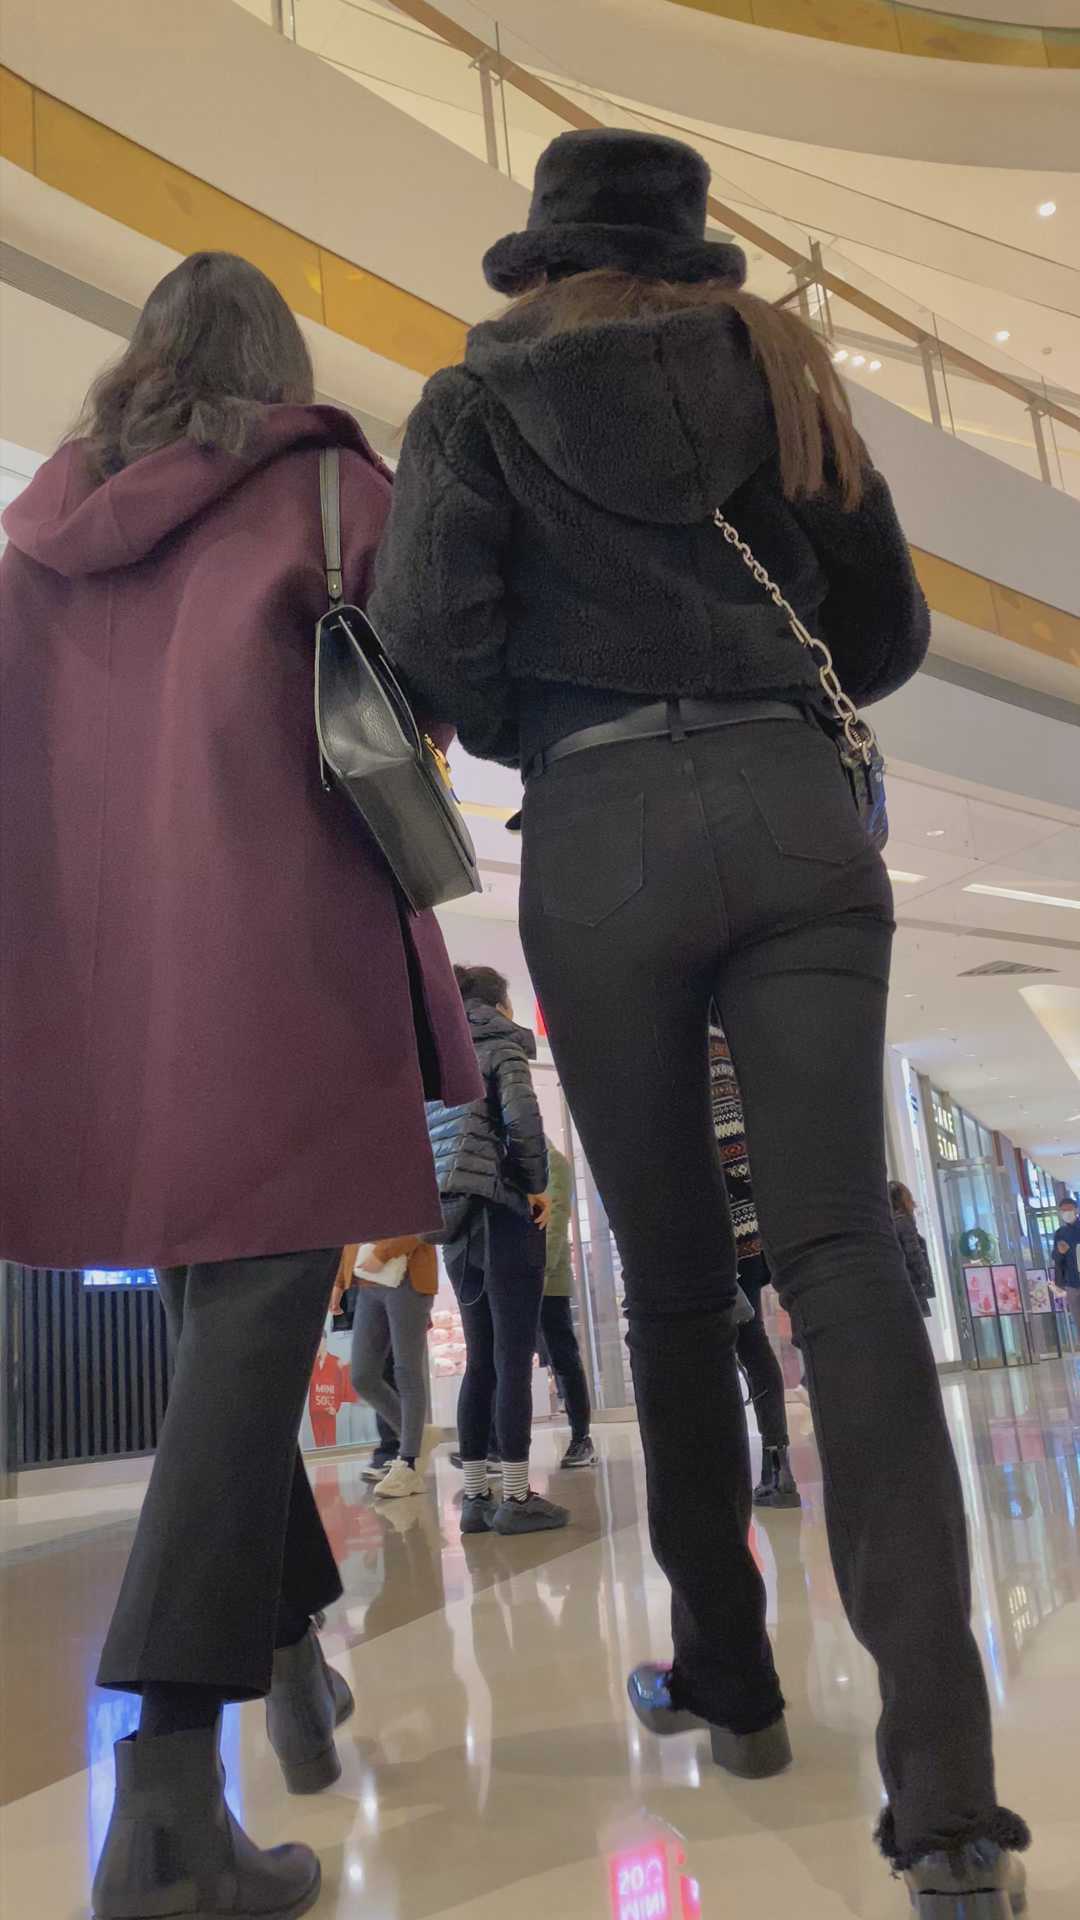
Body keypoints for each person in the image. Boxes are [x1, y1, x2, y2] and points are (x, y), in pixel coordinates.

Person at [370, 130, 1029, 1913]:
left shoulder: (474, 399)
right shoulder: (785, 369)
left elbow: (430, 642)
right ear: (695, 250)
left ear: (539, 259)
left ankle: (728, 1681)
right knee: (842, 1254)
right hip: (797, 810)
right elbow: (884, 629)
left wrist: (555, 707)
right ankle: (949, 1794)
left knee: (672, 1281)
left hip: (600, 833)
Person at [0, 251, 479, 1920]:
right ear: (275, 362)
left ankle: (291, 1668)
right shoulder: (335, 495)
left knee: (230, 1339)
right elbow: (435, 694)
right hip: (281, 968)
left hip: (108, 1004)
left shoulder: (36, 543)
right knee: (247, 1335)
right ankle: (164, 1808)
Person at [429, 965, 569, 1536]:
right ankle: (516, 1496)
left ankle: (475, 1498)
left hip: (456, 1223)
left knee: (480, 1359)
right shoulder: (502, 1046)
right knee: (514, 1356)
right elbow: (524, 1124)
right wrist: (536, 1186)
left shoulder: (438, 1057)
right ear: (499, 1004)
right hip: (504, 1215)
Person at [710, 1023, 800, 1508]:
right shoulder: (726, 1042)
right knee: (747, 1339)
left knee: (726, 1342)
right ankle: (775, 1461)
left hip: (716, 1225)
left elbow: (729, 1144)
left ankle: (756, 1466)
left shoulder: (706, 1045)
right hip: (740, 1224)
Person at [344, 1236, 438, 1497]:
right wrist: (341, 1281)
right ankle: (418, 1436)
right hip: (367, 1280)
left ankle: (408, 1462)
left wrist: (384, 1253)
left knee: (406, 1371)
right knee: (363, 1376)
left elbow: (422, 1221)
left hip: (408, 1277)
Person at [541, 1137, 596, 1468]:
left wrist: (540, 1269)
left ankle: (581, 1438)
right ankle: (492, 1445)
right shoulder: (514, 1161)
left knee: (563, 1357)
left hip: (548, 1282)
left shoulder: (554, 1162)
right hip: (519, 1279)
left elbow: (557, 1220)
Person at [890, 1181, 936, 1318]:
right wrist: (924, 1276)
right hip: (913, 1284)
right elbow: (913, 1253)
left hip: (899, 1283)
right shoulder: (904, 1222)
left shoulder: (889, 1223)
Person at [1050, 1194, 1080, 1342]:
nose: (1066, 1213)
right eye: (1063, 1210)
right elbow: (1055, 1258)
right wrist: (1060, 1252)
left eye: (1069, 1209)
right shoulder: (1060, 1233)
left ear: (1076, 1210)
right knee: (1078, 1319)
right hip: (1072, 1283)